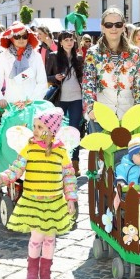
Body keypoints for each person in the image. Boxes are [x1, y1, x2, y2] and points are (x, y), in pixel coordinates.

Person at [0, 107, 77, 279]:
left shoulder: (61, 151)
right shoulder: (30, 148)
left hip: (54, 201)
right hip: (33, 200)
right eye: (34, 126)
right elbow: (16, 169)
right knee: (36, 237)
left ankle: (45, 273)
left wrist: (71, 198)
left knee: (50, 238)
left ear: (51, 130)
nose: (35, 130)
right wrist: (0, 179)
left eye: (40, 127)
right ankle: (32, 272)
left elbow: (69, 176)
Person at [82, 7, 140, 130]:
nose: (113, 28)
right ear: (102, 27)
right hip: (101, 116)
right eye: (108, 24)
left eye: (118, 24)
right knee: (100, 150)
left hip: (129, 116)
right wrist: (90, 108)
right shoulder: (93, 53)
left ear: (123, 27)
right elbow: (88, 83)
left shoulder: (135, 53)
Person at [46, 31, 84, 176]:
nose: (69, 42)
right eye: (66, 40)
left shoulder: (79, 58)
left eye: (71, 40)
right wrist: (55, 77)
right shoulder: (53, 57)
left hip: (76, 98)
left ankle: (75, 163)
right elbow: (46, 76)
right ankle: (57, 161)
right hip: (59, 98)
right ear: (60, 42)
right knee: (56, 130)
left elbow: (83, 78)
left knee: (75, 131)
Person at [0, 22, 48, 108]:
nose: (21, 40)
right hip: (11, 104)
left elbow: (42, 82)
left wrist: (31, 100)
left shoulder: (36, 56)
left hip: (31, 105)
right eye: (17, 36)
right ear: (11, 38)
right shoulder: (4, 56)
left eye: (24, 36)